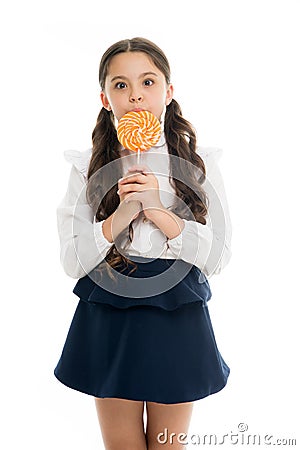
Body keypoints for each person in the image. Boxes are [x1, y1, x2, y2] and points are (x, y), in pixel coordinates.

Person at [54, 37, 232, 450]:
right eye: (121, 85)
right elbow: (70, 259)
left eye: (148, 82)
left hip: (177, 311)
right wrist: (119, 216)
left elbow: (219, 257)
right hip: (110, 309)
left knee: (170, 446)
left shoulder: (197, 165)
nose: (135, 94)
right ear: (105, 98)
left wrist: (157, 210)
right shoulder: (87, 166)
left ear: (168, 93)